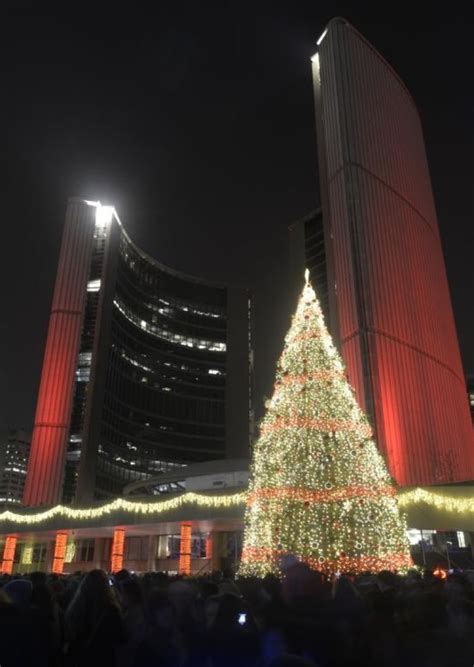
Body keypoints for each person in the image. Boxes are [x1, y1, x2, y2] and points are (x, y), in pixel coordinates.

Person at [64, 569, 126, 667]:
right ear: (106, 586)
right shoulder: (110, 609)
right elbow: (119, 637)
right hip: (103, 659)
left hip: (80, 657)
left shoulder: (76, 607)